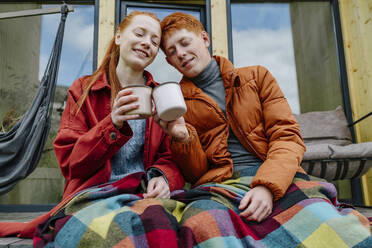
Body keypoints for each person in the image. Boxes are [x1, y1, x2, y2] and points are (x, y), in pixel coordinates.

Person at [154, 12, 372, 247]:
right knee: (201, 225)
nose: (181, 54)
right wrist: (182, 138)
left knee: (337, 229)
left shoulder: (257, 77)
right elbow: (195, 174)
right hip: (218, 187)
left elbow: (287, 137)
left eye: (185, 43)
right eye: (172, 52)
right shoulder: (178, 103)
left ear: (204, 39)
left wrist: (267, 186)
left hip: (275, 175)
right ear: (169, 61)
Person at [0, 11, 184, 246]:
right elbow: (70, 164)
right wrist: (112, 124)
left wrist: (163, 177)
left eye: (154, 41)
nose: (147, 43)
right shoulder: (83, 89)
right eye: (139, 34)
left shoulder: (160, 96)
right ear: (118, 36)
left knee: (165, 233)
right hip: (91, 196)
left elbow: (170, 158)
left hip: (142, 195)